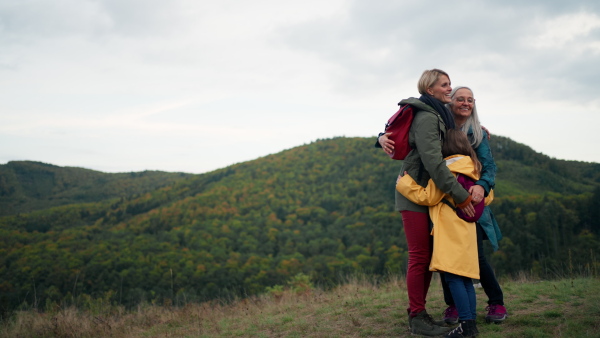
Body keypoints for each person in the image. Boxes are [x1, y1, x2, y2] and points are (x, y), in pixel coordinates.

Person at [376, 69, 475, 336]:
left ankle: (419, 313)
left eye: (450, 84)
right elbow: (433, 162)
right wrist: (460, 195)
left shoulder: (437, 114)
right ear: (429, 90)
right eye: (444, 85)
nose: (449, 88)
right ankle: (417, 317)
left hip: (426, 193)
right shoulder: (428, 117)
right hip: (414, 193)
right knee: (420, 256)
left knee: (427, 255)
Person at [396, 129, 495, 337]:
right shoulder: (475, 168)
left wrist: (405, 184)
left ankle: (466, 326)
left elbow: (428, 197)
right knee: (466, 279)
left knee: (454, 279)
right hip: (468, 232)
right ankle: (471, 324)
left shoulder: (446, 169)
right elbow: (487, 197)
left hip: (450, 233)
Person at [441, 86, 507, 325]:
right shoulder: (439, 128)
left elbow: (490, 167)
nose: (465, 103)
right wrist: (381, 138)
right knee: (445, 259)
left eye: (470, 100)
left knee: (476, 257)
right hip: (445, 203)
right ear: (451, 102)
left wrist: (482, 186)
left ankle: (496, 302)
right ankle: (454, 307)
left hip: (473, 202)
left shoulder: (477, 133)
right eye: (460, 99)